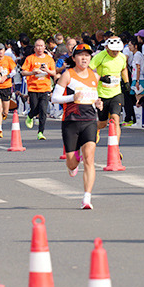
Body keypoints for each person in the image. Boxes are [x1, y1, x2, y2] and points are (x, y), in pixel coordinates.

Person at [52, 43, 103, 210]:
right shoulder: (68, 75)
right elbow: (55, 98)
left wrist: (98, 103)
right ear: (74, 58)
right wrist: (72, 97)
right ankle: (73, 163)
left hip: (89, 121)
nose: (84, 58)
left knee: (90, 159)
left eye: (87, 55)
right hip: (71, 121)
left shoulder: (95, 77)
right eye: (80, 55)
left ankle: (87, 198)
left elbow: (94, 97)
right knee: (72, 163)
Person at [89, 35, 130, 142]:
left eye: (117, 50)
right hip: (102, 94)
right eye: (113, 50)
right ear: (107, 47)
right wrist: (101, 78)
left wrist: (126, 82)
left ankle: (115, 148)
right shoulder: (100, 56)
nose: (116, 52)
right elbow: (88, 71)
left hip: (116, 93)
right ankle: (97, 128)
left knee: (115, 119)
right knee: (103, 123)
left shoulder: (122, 57)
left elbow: (124, 69)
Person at [22, 39, 57, 140]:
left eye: (41, 46)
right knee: (35, 108)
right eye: (37, 46)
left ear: (45, 47)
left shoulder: (49, 59)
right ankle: (30, 115)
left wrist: (47, 70)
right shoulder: (30, 59)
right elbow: (23, 72)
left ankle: (40, 132)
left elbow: (54, 73)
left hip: (45, 88)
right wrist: (32, 72)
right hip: (33, 87)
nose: (39, 48)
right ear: (34, 48)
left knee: (43, 110)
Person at [0, 43, 17, 134]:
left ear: (4, 50)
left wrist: (5, 77)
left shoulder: (8, 59)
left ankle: (4, 115)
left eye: (1, 50)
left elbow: (14, 71)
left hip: (6, 86)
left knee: (5, 111)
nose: (0, 52)